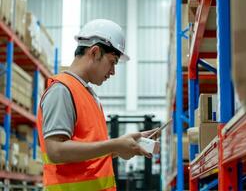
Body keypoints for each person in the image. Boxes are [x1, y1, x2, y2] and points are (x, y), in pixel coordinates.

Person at [36, 19, 157, 191]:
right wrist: (115, 144)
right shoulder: (62, 90)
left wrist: (124, 145)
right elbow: (56, 150)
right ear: (94, 52)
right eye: (113, 62)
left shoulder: (88, 95)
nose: (113, 72)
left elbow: (88, 153)